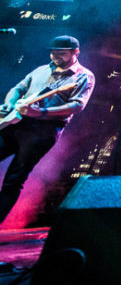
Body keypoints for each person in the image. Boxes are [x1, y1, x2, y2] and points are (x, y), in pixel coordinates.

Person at [0, 35, 95, 224]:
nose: (55, 57)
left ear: (75, 52)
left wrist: (42, 112)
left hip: (43, 132)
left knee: (14, 179)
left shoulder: (84, 76)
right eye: (53, 53)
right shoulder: (41, 70)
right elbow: (18, 89)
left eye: (61, 53)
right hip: (15, 123)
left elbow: (76, 106)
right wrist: (9, 104)